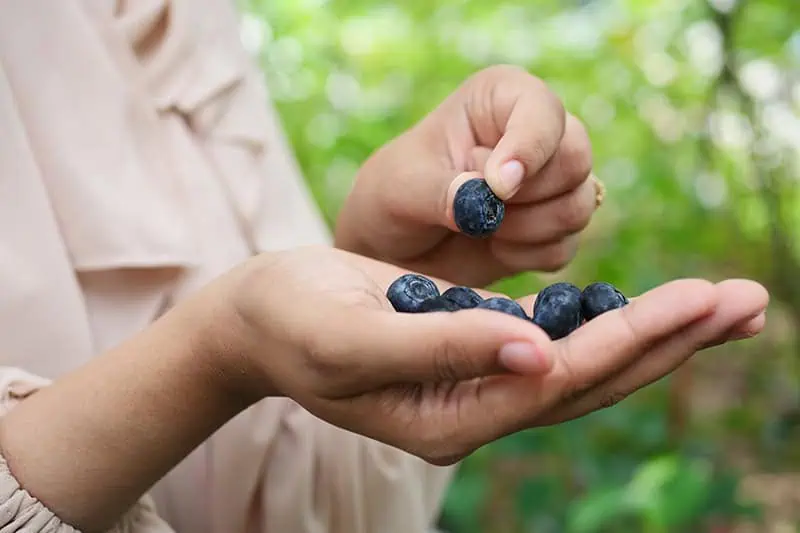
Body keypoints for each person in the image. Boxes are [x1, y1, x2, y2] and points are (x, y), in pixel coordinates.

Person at [0, 1, 769, 533]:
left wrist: (395, 260)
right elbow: (240, 326)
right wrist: (213, 354)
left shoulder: (198, 26)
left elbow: (287, 504)